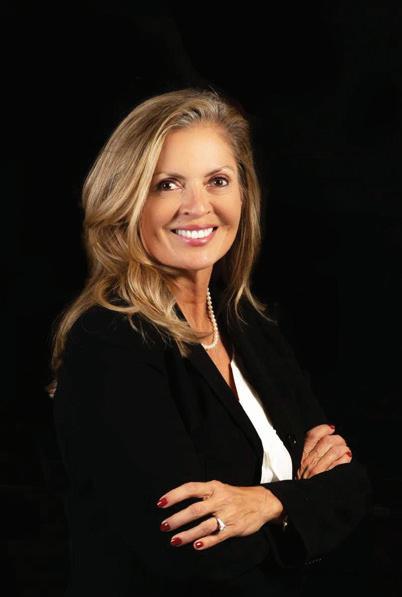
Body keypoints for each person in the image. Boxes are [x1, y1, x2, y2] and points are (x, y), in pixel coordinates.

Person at [47, 87, 372, 596]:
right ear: (126, 200)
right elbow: (191, 551)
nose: (198, 207)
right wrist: (307, 503)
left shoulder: (248, 325)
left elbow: (354, 487)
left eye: (217, 181)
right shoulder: (111, 342)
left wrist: (266, 503)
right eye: (167, 185)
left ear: (243, 194)